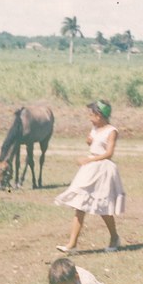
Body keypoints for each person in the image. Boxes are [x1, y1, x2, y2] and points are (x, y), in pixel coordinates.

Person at [54, 100, 125, 253]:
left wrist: (89, 159)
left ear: (100, 115)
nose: (89, 118)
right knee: (80, 204)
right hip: (90, 169)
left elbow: (108, 153)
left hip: (102, 168)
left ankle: (114, 237)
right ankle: (72, 244)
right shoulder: (94, 128)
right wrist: (89, 142)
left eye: (91, 115)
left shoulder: (112, 131)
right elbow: (93, 144)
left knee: (103, 207)